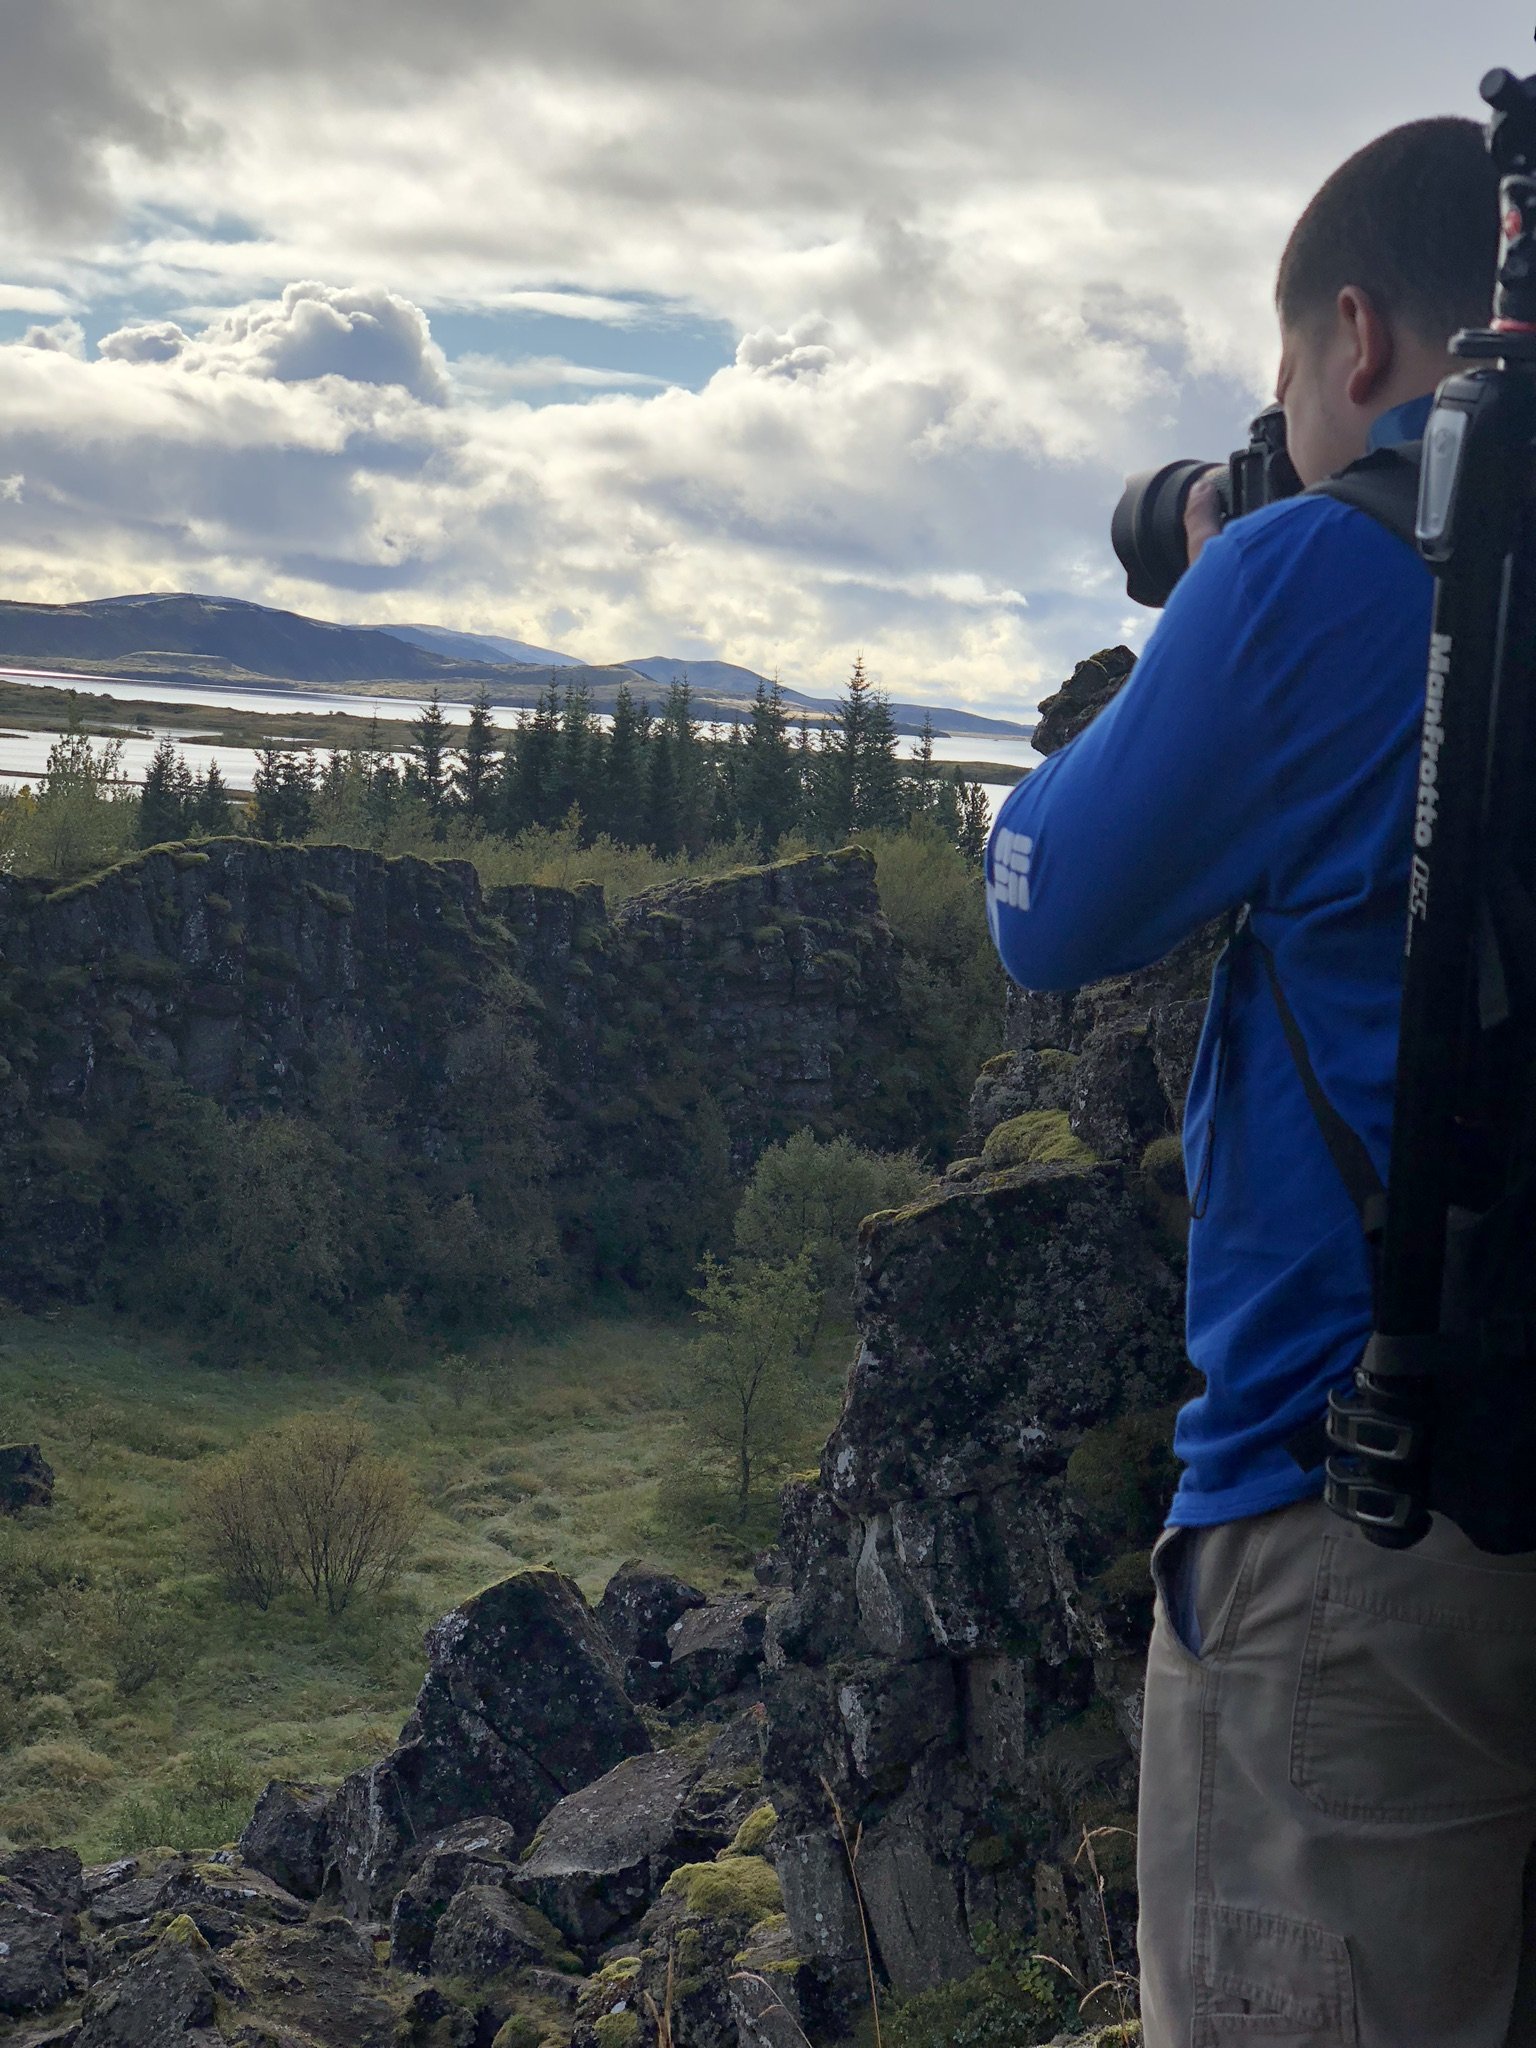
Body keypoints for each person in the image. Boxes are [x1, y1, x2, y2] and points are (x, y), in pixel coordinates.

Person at [986, 120, 1536, 2047]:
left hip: (1354, 1514)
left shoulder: (1319, 570)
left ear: (1360, 339)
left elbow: (1045, 907)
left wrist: (1213, 598)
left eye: (1287, 369)